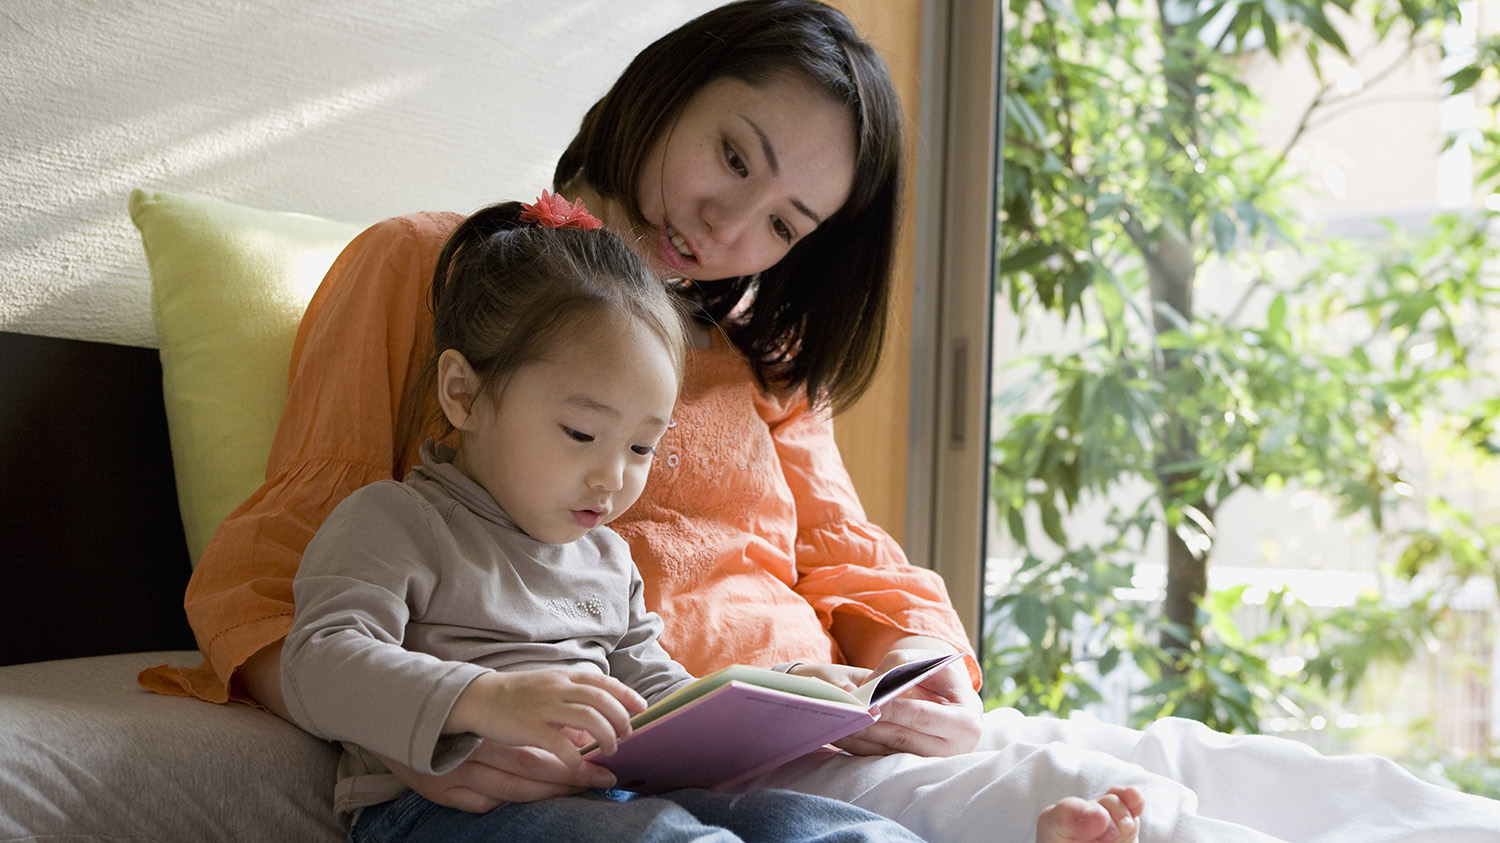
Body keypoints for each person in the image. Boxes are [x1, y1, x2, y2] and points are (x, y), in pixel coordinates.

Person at [140, 1, 1500, 841]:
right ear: (668, 87)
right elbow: (277, 570)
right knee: (1172, 817)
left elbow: (853, 558)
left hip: (828, 725)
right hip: (697, 761)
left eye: (786, 220)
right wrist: (437, 719)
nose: (730, 226)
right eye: (733, 156)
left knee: (1235, 764)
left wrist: (920, 663)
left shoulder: (761, 362)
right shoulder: (432, 266)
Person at [279, 194, 1144, 843]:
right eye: (581, 432)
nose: (612, 476)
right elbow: (319, 661)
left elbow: (658, 694)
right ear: (463, 393)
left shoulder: (604, 559)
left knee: (811, 824)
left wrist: (797, 698)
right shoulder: (395, 520)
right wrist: (482, 697)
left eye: (642, 448)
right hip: (442, 817)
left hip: (611, 803)